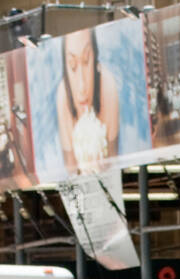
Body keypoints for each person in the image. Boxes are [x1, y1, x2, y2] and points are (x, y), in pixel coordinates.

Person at [56, 27, 120, 175]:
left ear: (95, 59)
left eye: (86, 61)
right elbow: (71, 173)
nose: (82, 86)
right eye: (72, 66)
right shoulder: (63, 96)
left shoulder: (108, 86)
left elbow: (113, 166)